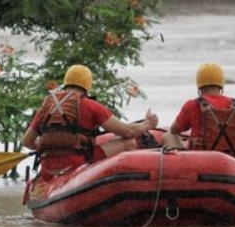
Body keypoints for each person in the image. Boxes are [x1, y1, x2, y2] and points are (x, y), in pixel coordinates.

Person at [22, 64, 159, 180]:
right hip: (77, 162)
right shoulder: (91, 105)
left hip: (48, 166)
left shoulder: (47, 107)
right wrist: (148, 124)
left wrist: (51, 145)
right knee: (128, 142)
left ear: (66, 83)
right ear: (87, 85)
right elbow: (128, 132)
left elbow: (27, 142)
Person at [162, 62, 235, 160]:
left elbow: (174, 130)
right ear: (221, 85)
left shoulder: (192, 105)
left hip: (198, 162)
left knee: (168, 135)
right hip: (232, 165)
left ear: (199, 86)